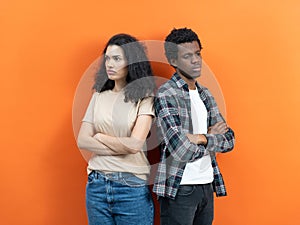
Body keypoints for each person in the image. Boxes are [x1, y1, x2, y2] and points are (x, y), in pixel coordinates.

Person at [153, 28, 235, 225]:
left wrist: (200, 137)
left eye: (198, 54)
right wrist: (211, 137)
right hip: (180, 187)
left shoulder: (205, 94)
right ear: (173, 61)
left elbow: (230, 140)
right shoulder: (166, 94)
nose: (196, 60)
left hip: (207, 184)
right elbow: (180, 149)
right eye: (187, 56)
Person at [77, 33, 156, 225]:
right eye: (107, 58)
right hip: (97, 186)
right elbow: (82, 140)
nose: (109, 64)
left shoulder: (145, 97)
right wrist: (123, 146)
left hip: (131, 187)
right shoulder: (99, 95)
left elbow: (135, 144)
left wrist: (101, 137)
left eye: (117, 58)